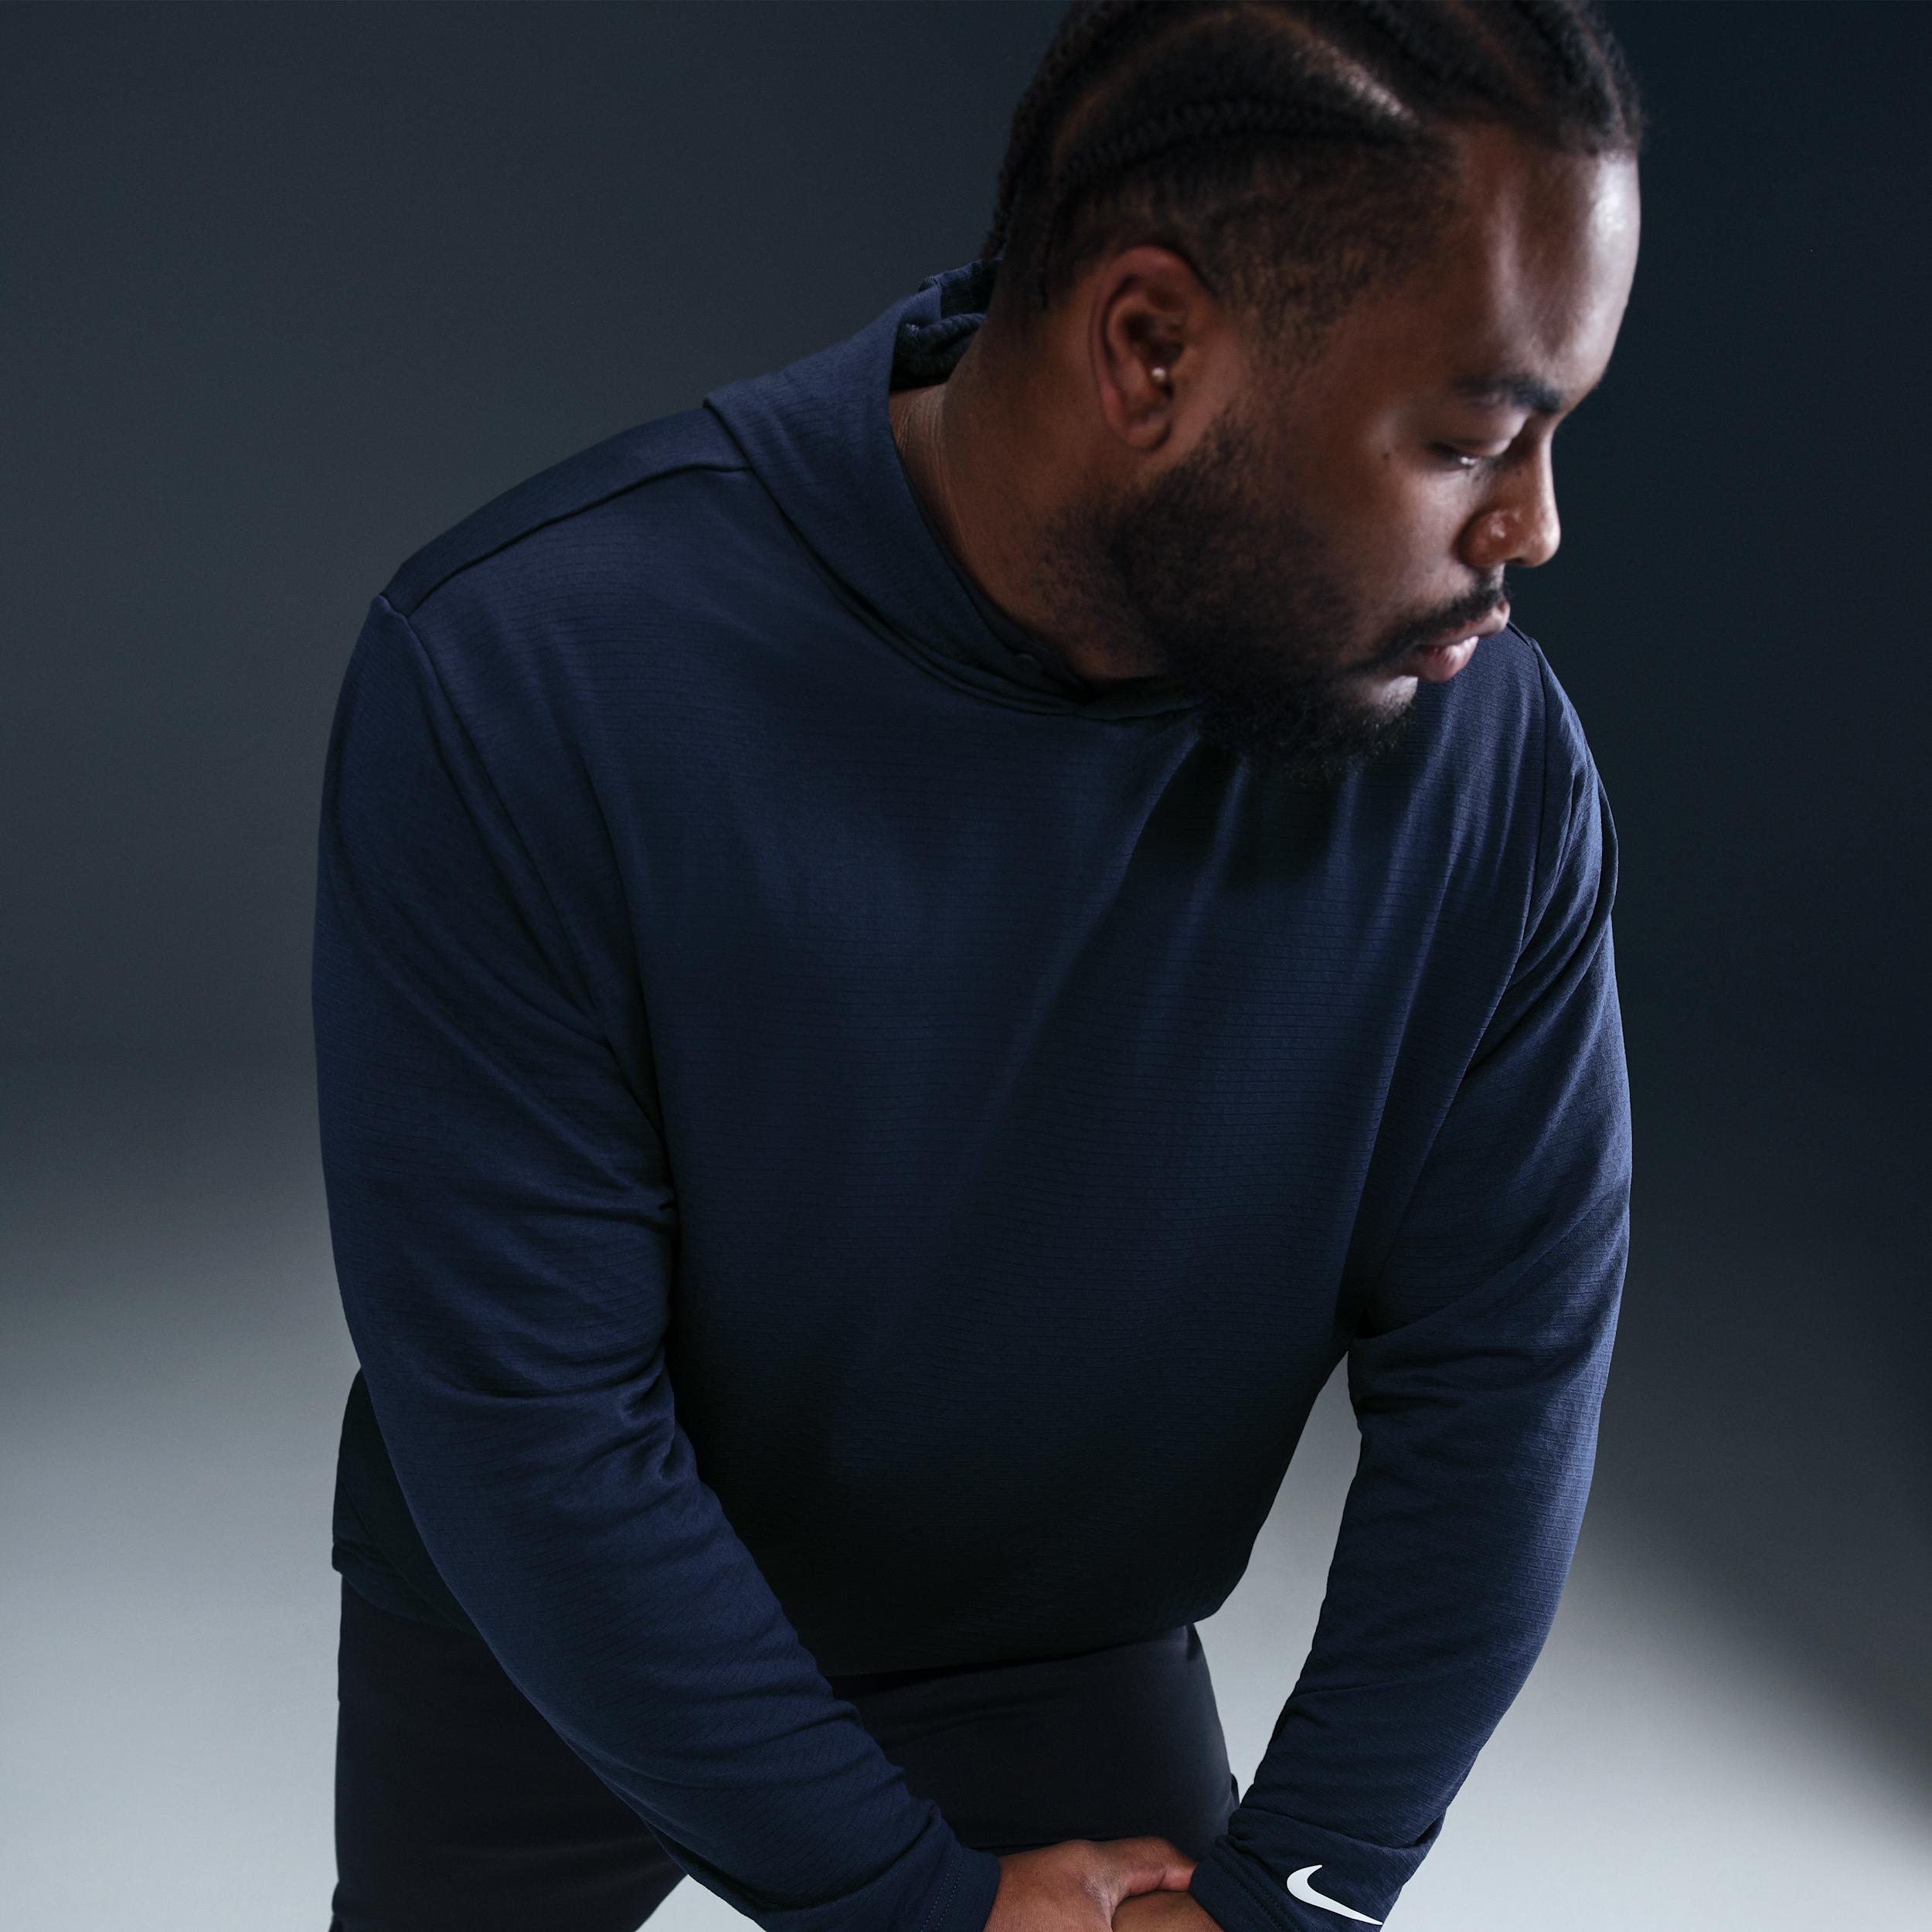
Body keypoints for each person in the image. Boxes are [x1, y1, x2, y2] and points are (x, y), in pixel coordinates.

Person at [312, 3, 1644, 1930]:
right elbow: (530, 1418)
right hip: (552, 1637)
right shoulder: (519, 672)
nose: (1533, 528)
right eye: (1466, 439)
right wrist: (911, 1903)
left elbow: (1500, 1388)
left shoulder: (1487, 763)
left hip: (1049, 1640)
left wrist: (1293, 1888)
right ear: (1149, 350)